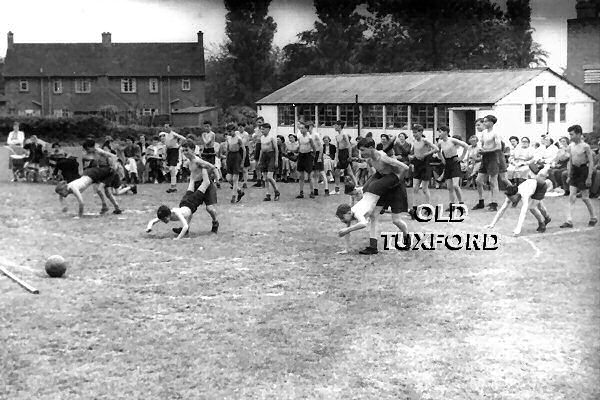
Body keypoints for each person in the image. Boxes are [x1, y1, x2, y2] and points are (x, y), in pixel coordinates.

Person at [335, 137, 411, 255]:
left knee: (396, 220)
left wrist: (397, 180)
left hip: (395, 187)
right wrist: (365, 188)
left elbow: (405, 168)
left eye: (363, 150)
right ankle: (373, 246)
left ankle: (407, 237)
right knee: (374, 215)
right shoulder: (370, 160)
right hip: (383, 186)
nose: (361, 153)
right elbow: (376, 175)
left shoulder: (383, 158)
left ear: (371, 148)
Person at [486, 164, 552, 236]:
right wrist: (492, 224)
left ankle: (542, 223)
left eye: (512, 198)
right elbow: (502, 209)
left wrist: (518, 229)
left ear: (516, 194)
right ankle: (547, 217)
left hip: (540, 186)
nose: (511, 200)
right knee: (538, 205)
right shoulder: (511, 195)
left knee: (532, 207)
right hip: (532, 185)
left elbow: (523, 213)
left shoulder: (524, 194)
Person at [560, 125, 597, 228]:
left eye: (572, 134)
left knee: (585, 197)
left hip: (583, 171)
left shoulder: (585, 146)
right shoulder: (571, 146)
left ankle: (593, 217)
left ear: (578, 134)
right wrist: (569, 175)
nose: (570, 136)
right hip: (575, 172)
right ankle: (569, 221)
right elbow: (571, 161)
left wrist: (589, 177)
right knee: (572, 196)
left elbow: (591, 162)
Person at [408, 124, 439, 219]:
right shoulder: (414, 142)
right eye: (413, 132)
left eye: (416, 132)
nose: (414, 134)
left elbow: (436, 149)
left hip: (425, 165)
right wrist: (412, 157)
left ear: (421, 132)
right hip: (417, 165)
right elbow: (413, 153)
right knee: (415, 187)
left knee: (425, 189)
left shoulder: (425, 141)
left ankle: (428, 208)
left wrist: (426, 154)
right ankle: (414, 209)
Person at [473, 116, 502, 211]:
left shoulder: (496, 133)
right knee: (478, 180)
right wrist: (481, 150)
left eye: (485, 121)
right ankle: (481, 201)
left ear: (491, 123)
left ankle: (494, 203)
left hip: (493, 158)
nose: (484, 123)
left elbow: (498, 147)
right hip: (485, 158)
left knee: (493, 181)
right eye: (484, 121)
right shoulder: (484, 133)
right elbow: (482, 144)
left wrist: (487, 151)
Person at [437, 126, 468, 210]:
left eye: (440, 132)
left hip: (455, 161)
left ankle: (461, 204)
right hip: (447, 162)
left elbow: (465, 146)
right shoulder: (440, 143)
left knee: (455, 185)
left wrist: (461, 157)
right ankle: (452, 205)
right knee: (449, 187)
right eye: (438, 132)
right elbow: (438, 151)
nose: (439, 134)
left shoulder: (452, 140)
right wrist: (442, 159)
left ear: (446, 132)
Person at [160, 124, 187, 193]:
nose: (166, 128)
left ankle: (173, 186)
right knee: (171, 170)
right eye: (165, 127)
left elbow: (184, 139)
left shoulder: (174, 134)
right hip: (169, 151)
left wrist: (179, 146)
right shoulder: (166, 135)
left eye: (167, 127)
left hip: (174, 151)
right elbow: (166, 143)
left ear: (170, 127)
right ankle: (173, 186)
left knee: (172, 169)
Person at [258, 123, 281, 201]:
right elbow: (261, 149)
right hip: (264, 156)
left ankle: (276, 191)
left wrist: (276, 160)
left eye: (263, 129)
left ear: (268, 129)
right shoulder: (261, 138)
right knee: (265, 177)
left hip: (271, 156)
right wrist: (259, 160)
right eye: (261, 129)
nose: (262, 131)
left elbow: (276, 149)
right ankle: (268, 194)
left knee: (269, 176)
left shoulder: (272, 138)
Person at [333, 120, 357, 194]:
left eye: (336, 125)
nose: (334, 127)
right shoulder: (337, 136)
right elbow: (337, 147)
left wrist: (349, 156)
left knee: (339, 172)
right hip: (340, 154)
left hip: (345, 153)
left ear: (339, 126)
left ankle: (355, 186)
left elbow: (349, 145)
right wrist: (336, 158)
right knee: (347, 172)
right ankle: (355, 185)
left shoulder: (344, 134)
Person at [224, 123, 246, 204]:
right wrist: (226, 160)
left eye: (230, 131)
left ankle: (234, 196)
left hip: (237, 156)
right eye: (228, 131)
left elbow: (244, 150)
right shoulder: (228, 138)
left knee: (235, 178)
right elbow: (227, 149)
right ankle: (239, 191)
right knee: (229, 178)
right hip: (230, 157)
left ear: (234, 130)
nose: (229, 133)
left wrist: (243, 162)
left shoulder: (238, 138)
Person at [295, 123, 317, 199]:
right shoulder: (299, 137)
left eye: (302, 128)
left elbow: (314, 147)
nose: (301, 130)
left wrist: (313, 155)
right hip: (301, 155)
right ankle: (301, 192)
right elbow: (300, 145)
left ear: (306, 129)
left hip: (308, 156)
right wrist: (297, 151)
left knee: (310, 176)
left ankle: (312, 192)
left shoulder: (310, 137)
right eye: (300, 128)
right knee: (301, 176)